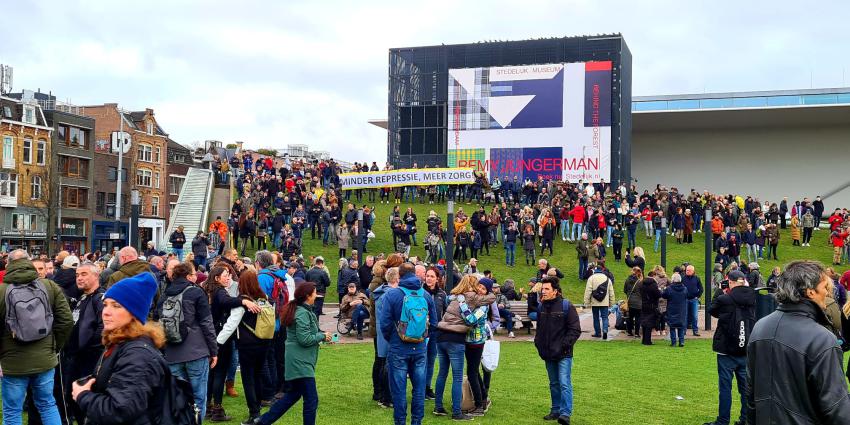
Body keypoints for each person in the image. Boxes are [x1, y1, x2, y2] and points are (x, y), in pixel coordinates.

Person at [747, 261, 850, 424]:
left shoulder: (760, 327)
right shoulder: (822, 338)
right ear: (810, 292)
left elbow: (751, 396)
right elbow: (837, 408)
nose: (828, 294)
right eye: (825, 288)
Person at [70, 272, 168, 424]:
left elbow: (120, 410)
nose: (106, 312)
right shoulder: (119, 343)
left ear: (134, 313)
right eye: (106, 304)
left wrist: (83, 395)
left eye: (116, 306)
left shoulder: (138, 355)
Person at [0, 250, 74, 425]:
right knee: (47, 405)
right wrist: (54, 346)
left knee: (12, 411)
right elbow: (66, 321)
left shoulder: (2, 290)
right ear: (29, 262)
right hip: (44, 360)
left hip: (12, 363)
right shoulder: (49, 286)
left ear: (8, 264)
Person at [252, 283, 330, 425]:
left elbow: (306, 335)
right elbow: (304, 339)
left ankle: (263, 421)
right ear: (307, 296)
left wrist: (321, 335)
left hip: (299, 360)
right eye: (314, 293)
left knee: (292, 395)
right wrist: (322, 337)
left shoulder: (302, 310)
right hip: (300, 362)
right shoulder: (302, 312)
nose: (316, 295)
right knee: (311, 399)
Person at [155, 261, 218, 422]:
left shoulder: (165, 294)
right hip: (196, 351)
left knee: (177, 398)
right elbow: (206, 323)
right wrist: (213, 350)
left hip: (172, 353)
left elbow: (157, 322)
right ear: (189, 276)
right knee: (198, 397)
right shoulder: (196, 292)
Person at [378, 262, 439, 425]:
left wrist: (393, 338)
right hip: (419, 348)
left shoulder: (392, 294)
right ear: (416, 274)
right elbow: (434, 322)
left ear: (400, 275)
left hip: (398, 348)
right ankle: (416, 422)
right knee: (419, 391)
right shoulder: (425, 295)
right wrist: (423, 337)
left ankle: (400, 422)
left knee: (398, 391)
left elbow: (384, 323)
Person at [433, 275, 491, 421]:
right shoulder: (469, 298)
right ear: (473, 285)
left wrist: (460, 300)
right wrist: (463, 303)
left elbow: (470, 317)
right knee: (461, 376)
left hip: (451, 337)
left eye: (483, 288)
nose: (480, 289)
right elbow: (469, 318)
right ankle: (459, 411)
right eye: (479, 286)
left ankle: (439, 406)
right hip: (458, 339)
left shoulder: (457, 298)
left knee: (449, 373)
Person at [208, 266, 260, 422]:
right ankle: (216, 409)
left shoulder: (211, 289)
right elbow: (227, 303)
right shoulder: (220, 291)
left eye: (229, 275)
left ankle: (208, 406)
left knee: (213, 373)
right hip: (221, 337)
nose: (228, 277)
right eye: (225, 275)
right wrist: (243, 300)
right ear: (217, 278)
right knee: (219, 373)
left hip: (216, 336)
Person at [704, 269, 755, 425]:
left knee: (725, 388)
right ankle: (745, 419)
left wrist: (721, 289)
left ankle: (723, 420)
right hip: (745, 347)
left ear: (731, 282)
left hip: (726, 349)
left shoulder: (725, 299)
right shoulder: (753, 297)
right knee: (745, 388)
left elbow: (711, 309)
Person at [62, 262, 106, 424]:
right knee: (72, 397)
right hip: (74, 357)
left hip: (90, 359)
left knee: (86, 402)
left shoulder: (100, 298)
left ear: (96, 275)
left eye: (84, 274)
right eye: (77, 275)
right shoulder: (82, 297)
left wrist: (89, 346)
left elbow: (103, 326)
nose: (79, 278)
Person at [535, 277, 581, 425]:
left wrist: (563, 346)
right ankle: (555, 410)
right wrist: (539, 344)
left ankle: (565, 413)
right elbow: (540, 331)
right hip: (548, 352)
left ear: (555, 291)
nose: (543, 291)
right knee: (553, 383)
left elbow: (575, 330)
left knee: (564, 382)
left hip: (563, 353)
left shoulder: (566, 306)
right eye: (543, 289)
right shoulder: (541, 307)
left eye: (547, 289)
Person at [423, 267, 447, 399]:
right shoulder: (419, 292)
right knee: (421, 360)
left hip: (435, 332)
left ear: (437, 278)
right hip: (421, 332)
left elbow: (446, 311)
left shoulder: (442, 294)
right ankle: (419, 387)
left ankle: (427, 387)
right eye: (427, 276)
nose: (429, 278)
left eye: (432, 276)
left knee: (431, 360)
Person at [583, 267, 614, 340]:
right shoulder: (607, 279)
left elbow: (588, 291)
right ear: (602, 270)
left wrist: (586, 302)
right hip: (605, 302)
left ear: (595, 271)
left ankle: (598, 333)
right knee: (605, 317)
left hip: (595, 302)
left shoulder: (591, 278)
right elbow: (611, 292)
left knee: (596, 318)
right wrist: (611, 302)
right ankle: (605, 330)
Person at [662, 273, 688, 347]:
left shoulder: (669, 288)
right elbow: (687, 295)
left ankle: (673, 342)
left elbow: (664, 295)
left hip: (672, 309)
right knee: (681, 326)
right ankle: (681, 342)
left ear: (672, 279)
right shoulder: (685, 288)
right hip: (681, 310)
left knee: (672, 326)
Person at [639, 273, 661, 345]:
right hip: (652, 305)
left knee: (644, 322)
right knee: (649, 323)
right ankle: (648, 341)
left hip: (643, 304)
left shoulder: (642, 284)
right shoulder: (653, 285)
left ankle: (644, 340)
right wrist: (660, 290)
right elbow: (658, 295)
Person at [682, 265, 704, 336]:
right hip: (685, 299)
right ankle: (683, 331)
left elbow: (701, 289)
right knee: (685, 315)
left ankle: (695, 331)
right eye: (686, 270)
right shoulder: (683, 278)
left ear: (693, 271)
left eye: (689, 270)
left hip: (694, 299)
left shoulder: (697, 278)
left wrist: (698, 296)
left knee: (695, 316)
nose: (687, 271)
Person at [623, 267, 644, 337]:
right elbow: (643, 292)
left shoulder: (627, 280)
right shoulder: (640, 282)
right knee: (638, 317)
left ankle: (629, 332)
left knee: (630, 317)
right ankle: (637, 333)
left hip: (630, 301)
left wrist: (629, 294)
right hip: (638, 302)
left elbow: (625, 290)